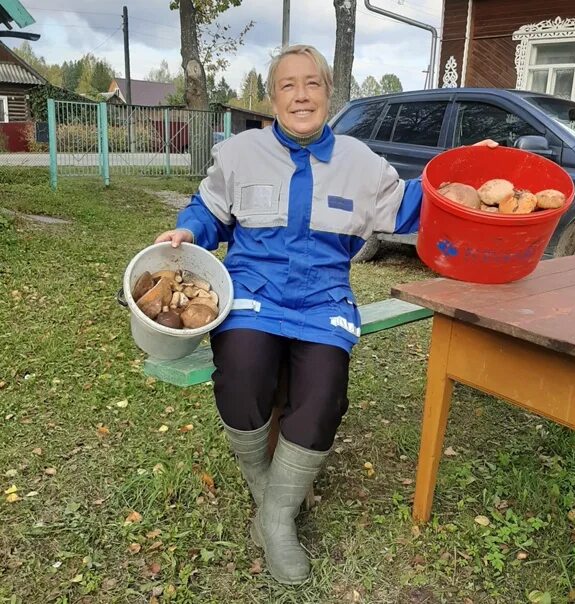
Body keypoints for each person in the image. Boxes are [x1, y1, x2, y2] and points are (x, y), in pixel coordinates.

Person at [155, 44, 497, 585]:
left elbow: (416, 203)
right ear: (272, 98)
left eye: (311, 83)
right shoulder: (240, 153)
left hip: (323, 303)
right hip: (253, 296)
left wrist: (467, 175)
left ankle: (274, 518)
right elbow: (209, 212)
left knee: (323, 396)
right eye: (288, 85)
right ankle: (270, 498)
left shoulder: (361, 163)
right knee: (242, 378)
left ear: (328, 93)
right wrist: (188, 231)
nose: (301, 95)